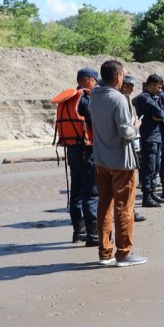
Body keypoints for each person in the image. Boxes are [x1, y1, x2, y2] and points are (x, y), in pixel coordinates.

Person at [88, 59, 146, 267]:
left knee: (104, 205)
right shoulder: (119, 99)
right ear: (119, 77)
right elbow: (125, 131)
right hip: (122, 162)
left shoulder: (94, 95)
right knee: (124, 208)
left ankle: (105, 252)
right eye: (122, 74)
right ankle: (124, 253)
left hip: (101, 160)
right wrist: (136, 127)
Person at [63, 67, 100, 247]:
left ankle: (78, 231)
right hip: (87, 151)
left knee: (76, 192)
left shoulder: (68, 99)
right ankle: (93, 235)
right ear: (87, 80)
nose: (95, 84)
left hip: (71, 150)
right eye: (94, 80)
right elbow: (94, 124)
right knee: (91, 193)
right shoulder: (86, 99)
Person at [134, 74, 164, 208]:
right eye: (159, 88)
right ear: (151, 85)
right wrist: (160, 115)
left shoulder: (154, 98)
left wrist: (161, 116)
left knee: (155, 166)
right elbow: (159, 112)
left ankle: (152, 192)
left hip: (156, 136)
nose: (160, 91)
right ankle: (147, 196)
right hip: (148, 137)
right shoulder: (144, 98)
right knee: (149, 167)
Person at [120, 74, 146, 223]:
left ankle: (129, 210)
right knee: (128, 182)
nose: (133, 89)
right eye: (131, 86)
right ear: (125, 85)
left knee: (130, 180)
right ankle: (128, 212)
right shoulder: (121, 100)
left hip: (132, 143)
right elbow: (125, 128)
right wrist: (135, 128)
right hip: (127, 144)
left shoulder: (126, 99)